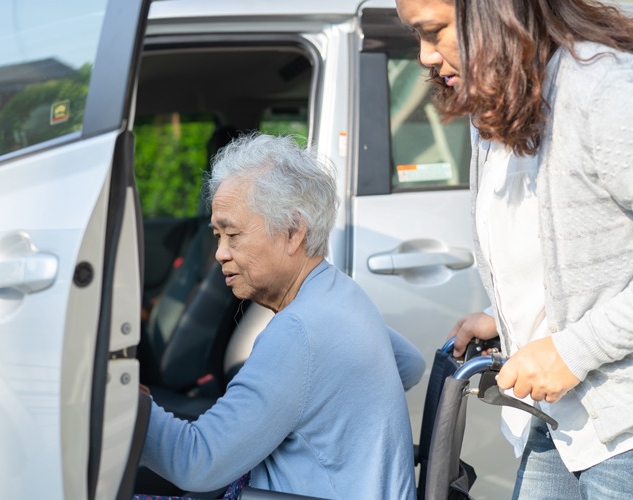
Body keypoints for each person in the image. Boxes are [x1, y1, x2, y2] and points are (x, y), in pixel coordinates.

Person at [395, 0, 633, 498]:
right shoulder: (494, 103)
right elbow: (574, 244)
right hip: (559, 421)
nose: (424, 56)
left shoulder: (606, 90)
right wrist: (505, 317)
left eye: (433, 31)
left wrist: (573, 350)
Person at [138, 133, 425, 499]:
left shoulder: (299, 333)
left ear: (292, 232)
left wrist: (132, 404)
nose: (220, 254)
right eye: (217, 236)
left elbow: (196, 463)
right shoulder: (340, 293)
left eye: (233, 235)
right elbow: (411, 364)